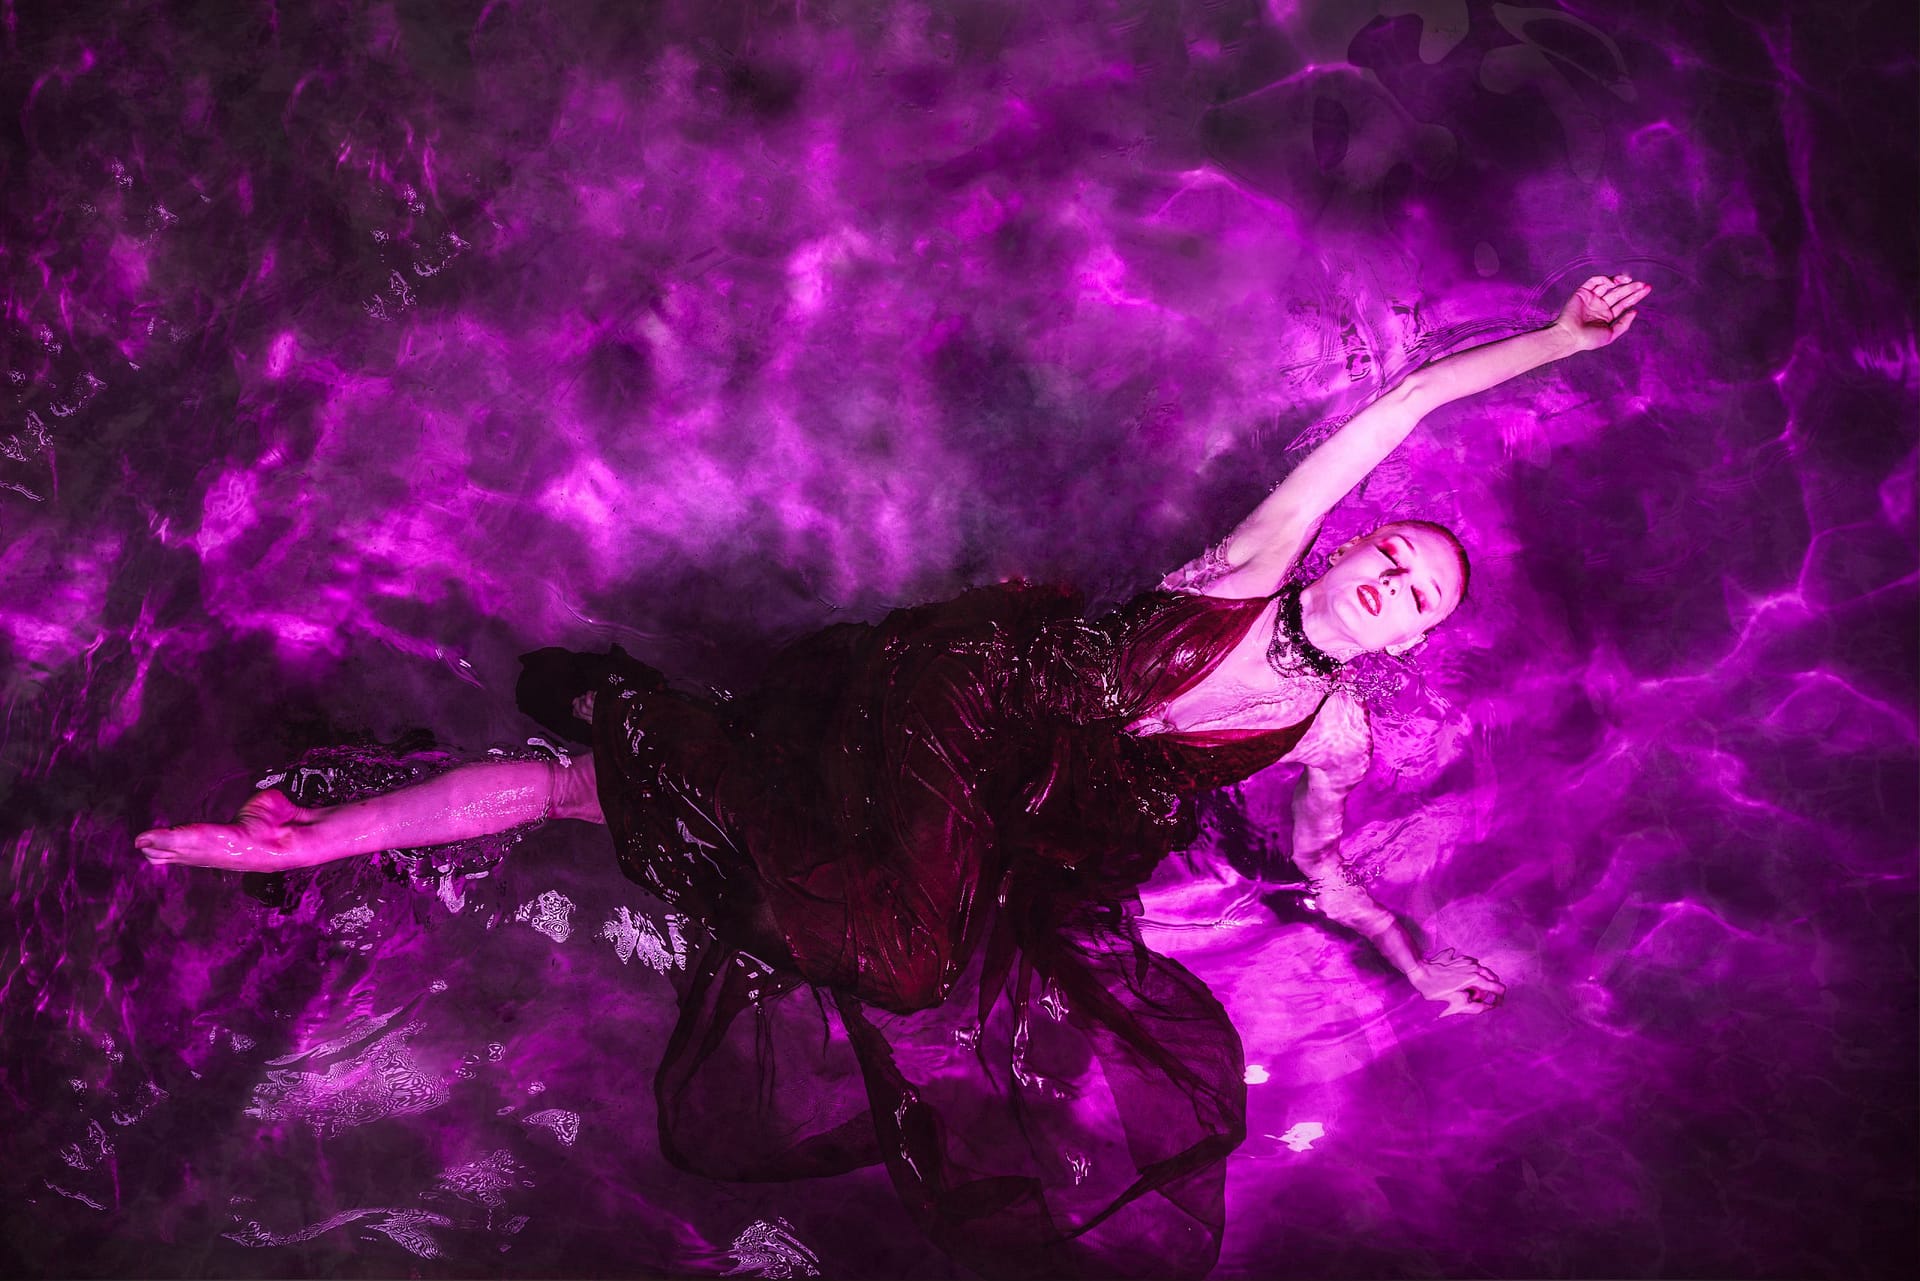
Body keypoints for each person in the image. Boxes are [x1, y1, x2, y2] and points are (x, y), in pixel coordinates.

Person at [138, 273, 1650, 1278]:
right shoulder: (1253, 564)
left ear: (1411, 642)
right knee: (906, 957)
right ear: (1346, 548)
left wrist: (1411, 952)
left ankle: (333, 823)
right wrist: (1557, 345)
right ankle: (458, 789)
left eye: (1419, 598)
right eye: (1392, 556)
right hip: (964, 702)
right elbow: (1400, 411)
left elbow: (1319, 863)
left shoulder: (1337, 737)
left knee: (636, 799)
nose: (1394, 584)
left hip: (1016, 825)